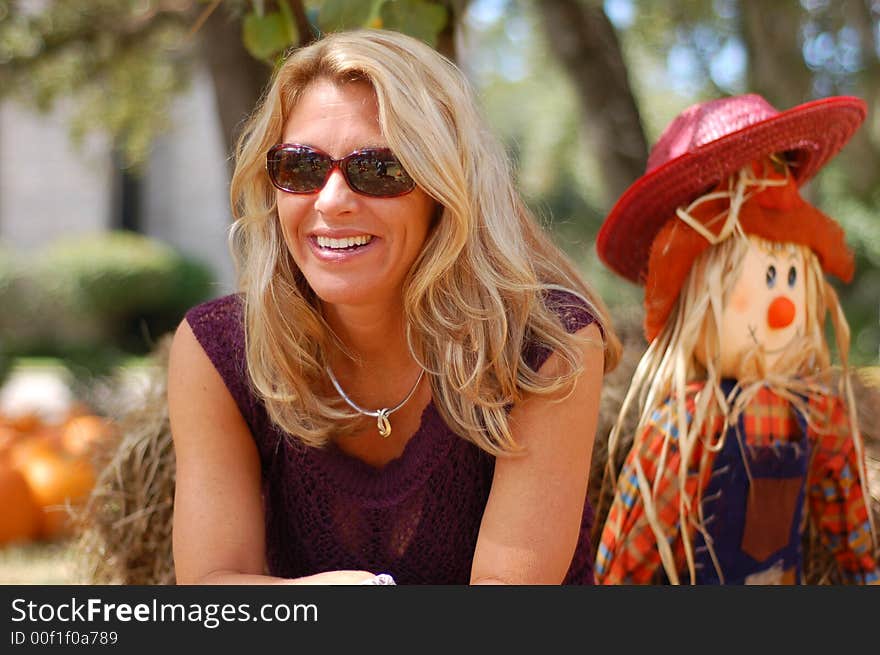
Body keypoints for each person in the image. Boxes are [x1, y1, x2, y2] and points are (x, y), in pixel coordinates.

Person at [168, 28, 620, 585]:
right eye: (302, 168)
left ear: (445, 192)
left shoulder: (547, 345)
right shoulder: (219, 353)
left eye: (378, 170)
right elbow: (210, 588)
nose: (331, 201)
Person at [592, 93, 879, 584]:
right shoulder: (684, 425)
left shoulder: (818, 416)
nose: (784, 305)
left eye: (792, 278)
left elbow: (847, 514)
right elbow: (631, 548)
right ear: (695, 300)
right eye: (766, 278)